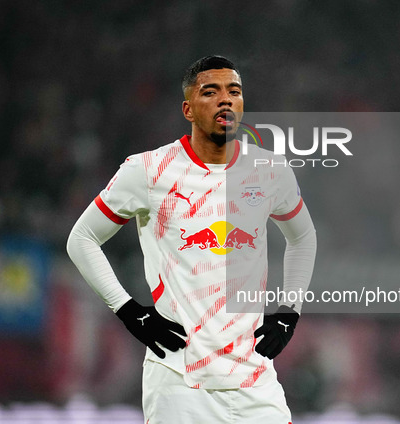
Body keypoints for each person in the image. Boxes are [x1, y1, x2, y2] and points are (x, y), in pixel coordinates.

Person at [67, 55, 316, 423]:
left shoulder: (270, 170)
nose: (225, 100)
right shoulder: (148, 170)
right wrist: (128, 311)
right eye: (211, 92)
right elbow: (82, 238)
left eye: (234, 91)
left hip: (255, 380)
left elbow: (304, 237)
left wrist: (288, 313)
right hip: (179, 383)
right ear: (188, 108)